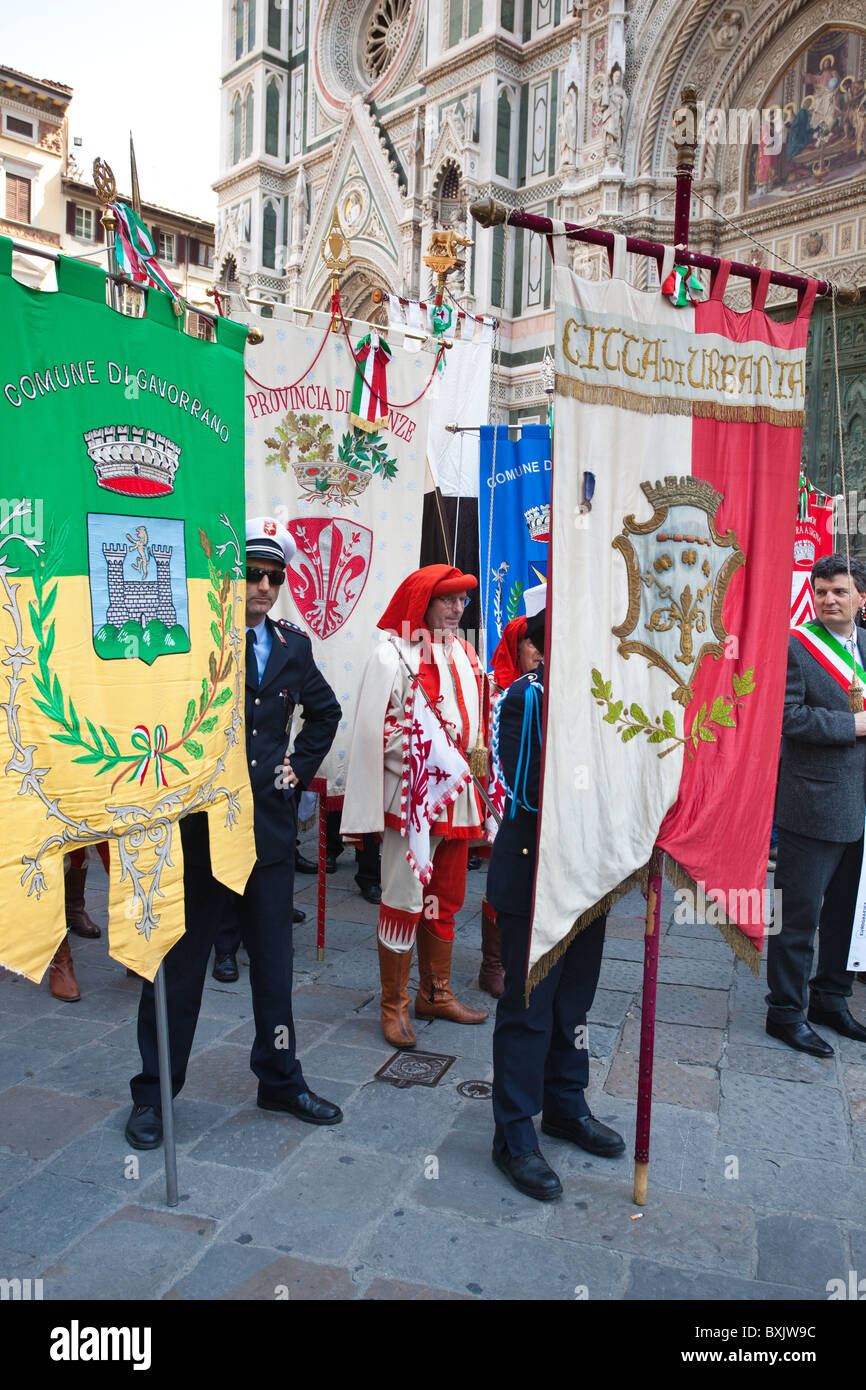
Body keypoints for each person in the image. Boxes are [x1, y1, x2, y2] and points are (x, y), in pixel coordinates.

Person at [125, 517, 343, 1148]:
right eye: (253, 575)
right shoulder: (196, 640)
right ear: (231, 576)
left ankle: (279, 1077)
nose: (264, 587)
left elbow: (325, 712)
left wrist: (295, 770)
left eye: (275, 577)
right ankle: (154, 1095)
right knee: (180, 964)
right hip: (201, 831)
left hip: (268, 835)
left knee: (274, 968)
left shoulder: (293, 647)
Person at [488, 610, 624, 1202]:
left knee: (575, 1003)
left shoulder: (606, 698)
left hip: (588, 875)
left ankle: (566, 1104)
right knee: (528, 1008)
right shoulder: (527, 699)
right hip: (535, 874)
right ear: (540, 651)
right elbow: (526, 788)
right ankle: (514, 1134)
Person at [342, 564, 489, 1048]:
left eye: (463, 600)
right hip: (414, 800)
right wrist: (429, 756)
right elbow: (376, 731)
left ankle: (434, 992)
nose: (458, 609)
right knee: (404, 898)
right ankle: (394, 1005)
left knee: (446, 896)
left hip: (459, 797)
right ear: (422, 602)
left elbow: (475, 720)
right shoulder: (390, 656)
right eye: (448, 600)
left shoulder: (466, 651)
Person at [767, 553, 866, 1055]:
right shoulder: (795, 646)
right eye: (822, 591)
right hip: (814, 802)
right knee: (797, 915)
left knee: (848, 917)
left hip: (861, 808)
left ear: (861, 600)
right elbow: (788, 718)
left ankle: (831, 996)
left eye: (840, 591)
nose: (829, 599)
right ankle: (785, 1011)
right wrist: (853, 726)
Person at [477, 612, 545, 999]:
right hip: (498, 786)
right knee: (502, 870)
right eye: (530, 643)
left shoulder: (545, 687)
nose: (537, 651)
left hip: (526, 787)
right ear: (515, 647)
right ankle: (494, 964)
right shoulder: (492, 687)